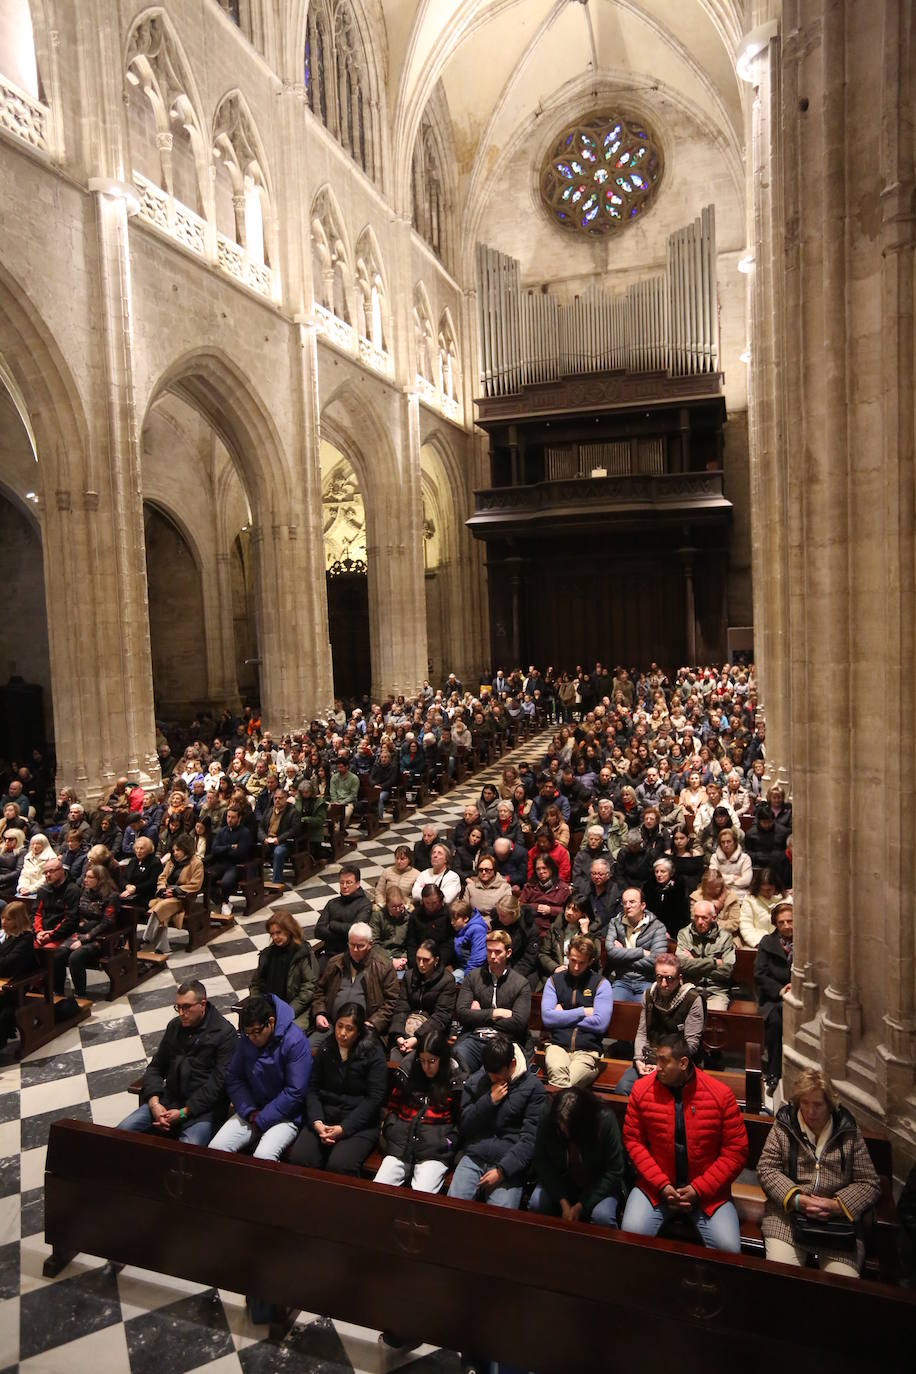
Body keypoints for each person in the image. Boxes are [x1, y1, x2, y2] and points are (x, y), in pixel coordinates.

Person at [621, 1032, 748, 1251]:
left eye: (664, 1061)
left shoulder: (720, 1095)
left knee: (728, 1249)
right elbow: (633, 1142)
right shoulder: (642, 1091)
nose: (656, 1067)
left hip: (708, 1193)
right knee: (631, 1234)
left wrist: (698, 1189)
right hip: (655, 1188)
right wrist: (661, 1185)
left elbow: (735, 1151)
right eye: (655, 1059)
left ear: (683, 1063)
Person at [757, 1067, 881, 1276]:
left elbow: (869, 1182)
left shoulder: (847, 1131)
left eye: (818, 1105)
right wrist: (797, 1199)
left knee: (842, 1287)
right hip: (788, 1218)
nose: (810, 1112)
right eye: (805, 1103)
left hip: (836, 1225)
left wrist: (837, 1205)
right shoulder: (785, 1125)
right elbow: (767, 1168)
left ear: (830, 1104)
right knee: (781, 1278)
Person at [117, 980, 237, 1145]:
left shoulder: (224, 1033)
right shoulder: (175, 1026)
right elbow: (156, 1068)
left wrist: (183, 1113)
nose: (181, 1013)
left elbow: (218, 1085)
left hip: (201, 1111)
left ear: (202, 1004)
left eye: (186, 1007)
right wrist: (154, 1103)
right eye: (178, 1007)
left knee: (188, 1150)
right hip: (167, 1102)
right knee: (121, 1132)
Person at [447, 1032, 545, 1209]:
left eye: (498, 1075)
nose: (493, 1080)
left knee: (500, 1218)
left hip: (508, 1163)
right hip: (475, 1155)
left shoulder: (533, 1088)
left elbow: (530, 1139)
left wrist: (502, 1171)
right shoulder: (478, 1080)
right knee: (453, 1208)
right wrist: (488, 1101)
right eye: (489, 1074)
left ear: (512, 1064)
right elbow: (465, 1126)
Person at [287, 1002, 388, 1174]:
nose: (342, 1033)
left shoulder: (373, 1052)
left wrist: (344, 1128)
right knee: (300, 1159)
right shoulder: (327, 1047)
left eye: (349, 1029)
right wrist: (317, 1121)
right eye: (339, 1026)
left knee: (339, 1166)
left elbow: (374, 1099)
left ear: (359, 1031)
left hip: (358, 1123)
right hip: (325, 1118)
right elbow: (313, 1088)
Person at [209, 993, 312, 1160]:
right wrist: (249, 1110)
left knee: (263, 1156)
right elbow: (234, 1077)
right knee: (216, 1149)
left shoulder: (295, 1041)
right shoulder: (248, 1039)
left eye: (256, 1032)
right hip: (253, 1109)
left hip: (287, 1115)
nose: (252, 1038)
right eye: (247, 1033)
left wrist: (263, 1118)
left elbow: (295, 1092)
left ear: (271, 1022)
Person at [373, 1025, 462, 1193]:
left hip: (434, 1151)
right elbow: (393, 1108)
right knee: (378, 1190)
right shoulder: (409, 1073)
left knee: (421, 1196)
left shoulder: (455, 1081)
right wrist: (391, 1130)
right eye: (422, 1061)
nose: (426, 1066)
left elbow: (461, 1122)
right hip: (401, 1144)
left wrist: (448, 1143)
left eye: (432, 1061)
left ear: (442, 1059)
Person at [530, 1086, 624, 1228]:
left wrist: (581, 1205)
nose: (563, 1128)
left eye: (567, 1125)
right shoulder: (549, 1113)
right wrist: (562, 1200)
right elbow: (541, 1160)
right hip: (562, 1179)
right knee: (537, 1202)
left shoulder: (604, 1119)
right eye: (560, 1123)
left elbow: (615, 1169)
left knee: (602, 1216)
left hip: (597, 1183)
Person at [615, 952, 705, 1096]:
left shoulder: (692, 999)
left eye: (669, 978)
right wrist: (638, 1059)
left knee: (665, 1095)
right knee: (623, 1088)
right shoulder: (649, 995)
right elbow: (642, 1032)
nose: (663, 984)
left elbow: (692, 1044)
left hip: (677, 1062)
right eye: (659, 977)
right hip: (649, 1058)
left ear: (679, 978)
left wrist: (662, 1063)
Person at [453, 929, 532, 1072]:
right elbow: (462, 1014)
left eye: (497, 952)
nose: (492, 956)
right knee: (455, 1062)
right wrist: (496, 1013)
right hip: (474, 1038)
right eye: (489, 951)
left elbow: (519, 1023)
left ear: (508, 953)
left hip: (504, 1042)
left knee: (490, 1072)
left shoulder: (521, 983)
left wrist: (479, 1015)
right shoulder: (473, 977)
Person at [540, 934, 612, 1088]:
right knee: (560, 1073)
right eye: (573, 960)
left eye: (582, 962)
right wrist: (583, 1012)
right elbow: (547, 1019)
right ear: (567, 955)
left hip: (588, 1051)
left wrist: (561, 1016)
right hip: (557, 1046)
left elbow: (600, 1024)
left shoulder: (601, 984)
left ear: (590, 961)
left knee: (566, 1083)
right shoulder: (554, 981)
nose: (576, 967)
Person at [311, 921, 398, 1043]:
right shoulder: (335, 962)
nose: (355, 950)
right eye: (352, 945)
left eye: (360, 946)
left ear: (370, 944)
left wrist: (373, 1022)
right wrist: (320, 1013)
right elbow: (319, 991)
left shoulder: (384, 967)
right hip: (332, 1025)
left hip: (364, 1029)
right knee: (309, 1048)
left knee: (358, 1055)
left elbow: (392, 1001)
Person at [52, 863, 121, 997]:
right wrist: (93, 917)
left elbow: (107, 922)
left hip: (102, 938)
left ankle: (80, 994)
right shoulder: (86, 891)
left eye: (90, 878)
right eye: (85, 877)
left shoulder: (112, 896)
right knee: (58, 954)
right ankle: (58, 991)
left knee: (75, 957)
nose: (85, 880)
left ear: (100, 880)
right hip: (80, 934)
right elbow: (81, 912)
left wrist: (86, 937)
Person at [249, 911, 319, 1033]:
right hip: (268, 1007)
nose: (275, 937)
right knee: (253, 1031)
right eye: (272, 934)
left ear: (289, 930)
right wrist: (258, 1005)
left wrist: (287, 1012)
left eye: (278, 933)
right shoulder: (267, 954)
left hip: (296, 1009)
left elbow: (309, 988)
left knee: (285, 1034)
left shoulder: (302, 953)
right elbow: (256, 984)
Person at [388, 939, 457, 1061]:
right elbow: (401, 1007)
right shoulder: (409, 976)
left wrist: (416, 1038)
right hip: (406, 1031)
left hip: (432, 1032)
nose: (421, 964)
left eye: (426, 960)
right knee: (395, 1055)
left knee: (414, 1058)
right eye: (418, 959)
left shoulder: (447, 980)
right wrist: (399, 1036)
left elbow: (442, 1016)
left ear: (436, 960)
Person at [754, 897, 793, 1092]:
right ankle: (774, 1071)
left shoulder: (807, 943)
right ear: (775, 924)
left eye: (790, 921)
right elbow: (759, 974)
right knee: (776, 1019)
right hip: (774, 997)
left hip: (800, 994)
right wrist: (781, 990)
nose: (786, 926)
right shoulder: (768, 943)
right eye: (781, 922)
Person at [604, 886, 669, 1003]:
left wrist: (623, 954)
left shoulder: (657, 927)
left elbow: (657, 959)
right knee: (613, 1008)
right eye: (625, 903)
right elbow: (611, 952)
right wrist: (642, 952)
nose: (628, 906)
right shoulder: (615, 923)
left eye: (632, 902)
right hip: (621, 980)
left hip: (647, 980)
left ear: (643, 905)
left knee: (646, 1010)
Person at [142, 833, 205, 953]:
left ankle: (147, 937)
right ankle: (163, 947)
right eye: (174, 850)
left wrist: (175, 891)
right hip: (167, 894)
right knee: (162, 911)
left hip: (182, 897)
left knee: (160, 907)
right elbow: (162, 877)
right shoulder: (172, 861)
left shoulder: (196, 863)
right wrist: (162, 889)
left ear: (186, 850)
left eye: (178, 850)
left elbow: (196, 884)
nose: (175, 853)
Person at [677, 898, 735, 1011]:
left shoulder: (725, 937)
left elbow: (727, 971)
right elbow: (682, 965)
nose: (699, 922)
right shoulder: (684, 934)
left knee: (714, 1020)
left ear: (713, 918)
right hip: (690, 989)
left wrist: (694, 961)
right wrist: (714, 962)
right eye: (696, 917)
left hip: (716, 991)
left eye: (704, 918)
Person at [0, 902, 40, 1051]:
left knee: (5, 1012)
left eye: (8, 919)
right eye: (2, 918)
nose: (3, 922)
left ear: (18, 920)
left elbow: (9, 964)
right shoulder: (7, 937)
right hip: (4, 981)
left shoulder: (25, 938)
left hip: (16, 986)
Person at [314, 863, 372, 957]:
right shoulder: (332, 903)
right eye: (341, 882)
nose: (344, 886)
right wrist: (344, 936)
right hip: (330, 954)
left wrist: (332, 925)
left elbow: (356, 932)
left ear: (357, 884)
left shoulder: (365, 904)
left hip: (352, 956)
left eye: (349, 882)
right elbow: (318, 931)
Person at [208, 805, 255, 916]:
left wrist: (223, 850)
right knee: (206, 878)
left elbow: (240, 852)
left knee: (226, 882)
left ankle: (224, 902)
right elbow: (214, 849)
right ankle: (223, 902)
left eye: (233, 817)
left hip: (236, 865)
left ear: (239, 819)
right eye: (228, 816)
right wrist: (230, 847)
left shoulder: (245, 833)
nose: (229, 819)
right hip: (221, 863)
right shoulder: (222, 831)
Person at [258, 786, 302, 884]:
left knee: (278, 852)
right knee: (253, 850)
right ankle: (255, 881)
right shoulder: (269, 810)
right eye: (275, 798)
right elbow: (260, 827)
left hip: (284, 842)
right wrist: (264, 838)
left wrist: (279, 839)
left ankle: (276, 881)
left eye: (280, 798)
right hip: (268, 841)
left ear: (286, 799)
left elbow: (294, 830)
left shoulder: (293, 812)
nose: (277, 800)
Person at [739, 866, 788, 949]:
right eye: (763, 889)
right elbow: (745, 924)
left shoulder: (787, 900)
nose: (766, 893)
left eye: (769, 890)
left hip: (782, 945)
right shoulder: (750, 899)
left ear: (775, 886)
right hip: (757, 944)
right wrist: (758, 943)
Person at [643, 855, 689, 940]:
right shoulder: (649, 888)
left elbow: (681, 916)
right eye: (656, 872)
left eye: (663, 871)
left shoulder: (679, 889)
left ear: (670, 873)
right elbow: (647, 913)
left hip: (674, 931)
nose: (659, 875)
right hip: (652, 929)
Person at [369, 888, 410, 975]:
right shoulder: (378, 916)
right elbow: (373, 943)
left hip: (402, 958)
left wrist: (404, 958)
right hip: (382, 956)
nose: (398, 909)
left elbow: (412, 942)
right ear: (387, 904)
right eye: (394, 907)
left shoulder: (409, 918)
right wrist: (390, 960)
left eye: (400, 905)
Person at [449, 897, 488, 982]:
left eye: (455, 919)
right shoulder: (459, 928)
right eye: (451, 919)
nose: (452, 922)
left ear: (466, 918)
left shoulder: (477, 930)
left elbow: (478, 958)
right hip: (461, 966)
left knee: (448, 982)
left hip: (472, 971)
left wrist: (468, 978)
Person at [411, 841, 461, 905]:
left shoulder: (453, 877)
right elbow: (415, 894)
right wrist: (438, 893)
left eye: (439, 853)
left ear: (446, 859)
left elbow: (446, 899)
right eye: (433, 853)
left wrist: (424, 889)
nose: (435, 855)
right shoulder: (424, 873)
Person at [373, 845, 419, 912]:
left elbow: (416, 897)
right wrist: (382, 905)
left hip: (405, 908)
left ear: (409, 859)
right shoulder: (387, 871)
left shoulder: (417, 875)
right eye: (397, 858)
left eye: (402, 859)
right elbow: (379, 891)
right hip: (386, 906)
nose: (399, 861)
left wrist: (407, 903)